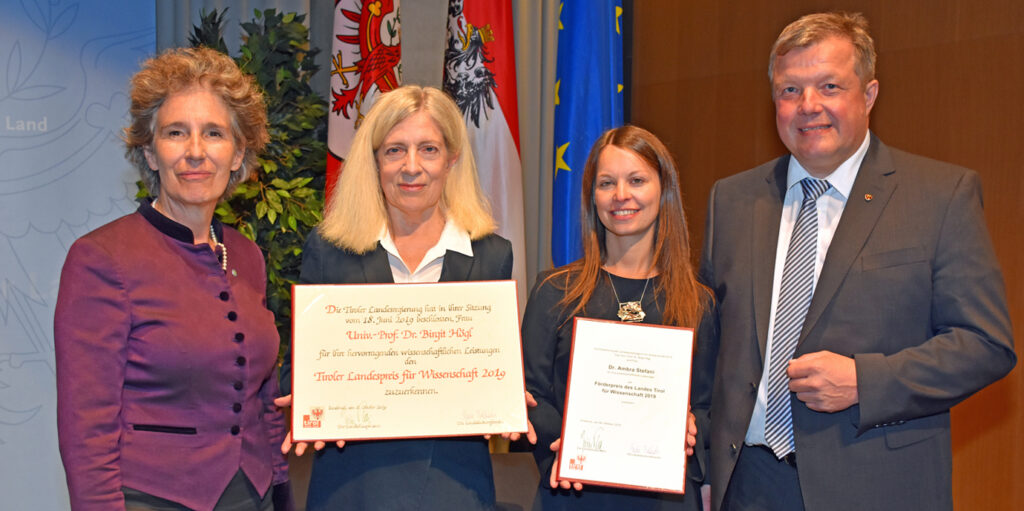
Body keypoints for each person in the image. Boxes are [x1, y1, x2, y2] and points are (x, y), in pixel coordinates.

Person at [698, 11, 1017, 511]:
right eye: (790, 90)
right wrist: (701, 467)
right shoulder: (732, 201)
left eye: (829, 86)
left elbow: (985, 345)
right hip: (747, 488)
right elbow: (708, 348)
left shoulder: (940, 196)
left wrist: (865, 383)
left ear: (868, 95)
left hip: (877, 487)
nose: (808, 106)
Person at [54, 47, 290, 511]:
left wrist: (281, 489)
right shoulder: (101, 258)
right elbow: (86, 431)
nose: (195, 152)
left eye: (214, 133)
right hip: (153, 498)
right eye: (176, 133)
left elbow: (262, 399)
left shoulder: (247, 255)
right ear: (150, 152)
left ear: (238, 153)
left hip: (254, 494)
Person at [276, 85, 528, 510]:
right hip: (351, 487)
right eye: (395, 151)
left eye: (428, 149)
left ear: (451, 159)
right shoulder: (329, 250)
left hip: (454, 489)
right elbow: (300, 371)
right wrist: (304, 395)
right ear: (375, 160)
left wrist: (507, 396)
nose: (412, 167)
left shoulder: (491, 255)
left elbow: (491, 369)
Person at [522, 125, 713, 510]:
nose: (621, 195)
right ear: (592, 196)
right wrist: (566, 443)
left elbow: (711, 407)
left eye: (636, 180)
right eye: (607, 183)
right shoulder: (555, 290)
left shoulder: (698, 302)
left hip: (665, 499)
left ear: (664, 190)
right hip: (573, 491)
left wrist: (693, 425)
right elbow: (529, 395)